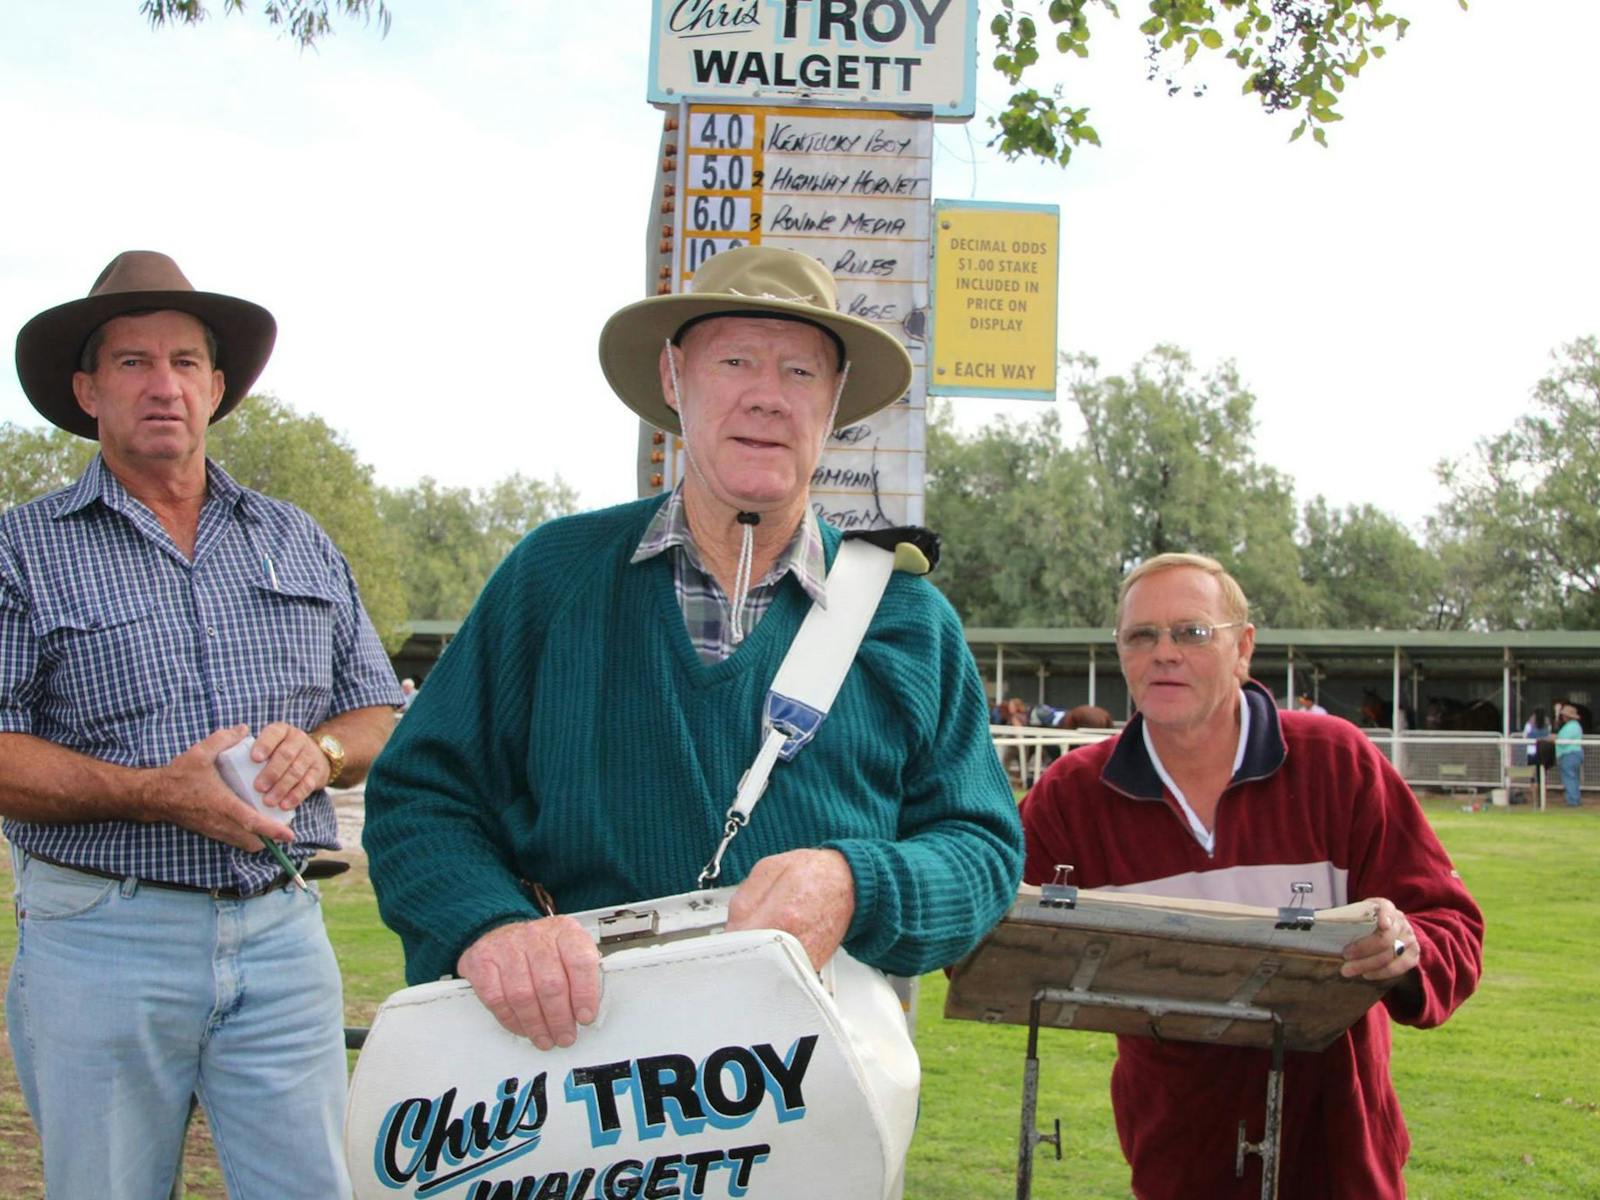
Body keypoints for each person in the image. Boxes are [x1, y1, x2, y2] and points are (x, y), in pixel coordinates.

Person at [362, 245, 1023, 1052]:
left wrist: (856, 883)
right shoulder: (552, 579)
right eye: (735, 361)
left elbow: (982, 850)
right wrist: (490, 924)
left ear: (836, 401)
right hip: (571, 1070)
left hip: (814, 1087)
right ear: (675, 380)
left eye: (800, 373)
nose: (767, 399)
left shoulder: (908, 619)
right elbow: (421, 797)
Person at [0, 251, 402, 1198]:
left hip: (282, 927)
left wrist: (327, 748)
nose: (163, 385)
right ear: (87, 389)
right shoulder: (22, 549)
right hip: (103, 933)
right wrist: (151, 795)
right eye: (133, 362)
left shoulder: (295, 537)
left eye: (185, 362)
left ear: (216, 389)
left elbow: (377, 709)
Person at [1020, 552, 1483, 1200]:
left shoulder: (1337, 763)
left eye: (1191, 632)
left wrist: (1406, 949)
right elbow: (986, 931)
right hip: (1175, 1159)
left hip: (1341, 1157)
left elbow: (1452, 926)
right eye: (1142, 635)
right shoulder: (1072, 796)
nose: (1164, 653)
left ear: (1243, 649)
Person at [1554, 702, 1585, 807]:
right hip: (1574, 754)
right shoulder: (1574, 726)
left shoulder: (1572, 726)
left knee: (1569, 777)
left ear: (1567, 716)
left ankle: (1572, 801)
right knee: (1573, 777)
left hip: (1570, 754)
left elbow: (1563, 740)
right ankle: (1575, 799)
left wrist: (1554, 739)